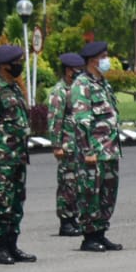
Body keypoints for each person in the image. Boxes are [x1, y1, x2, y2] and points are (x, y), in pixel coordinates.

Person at [0, 44, 36, 265]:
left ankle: (13, 244)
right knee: (1, 201)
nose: (19, 66)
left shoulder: (13, 88)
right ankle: (0, 248)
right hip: (1, 158)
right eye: (16, 62)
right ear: (4, 65)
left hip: (18, 156)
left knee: (16, 201)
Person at [70, 40, 123, 252]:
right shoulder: (81, 85)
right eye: (103, 57)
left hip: (109, 150)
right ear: (92, 61)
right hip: (93, 152)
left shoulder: (103, 84)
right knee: (90, 193)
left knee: (107, 194)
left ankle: (101, 233)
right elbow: (82, 121)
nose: (106, 60)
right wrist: (88, 151)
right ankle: (89, 236)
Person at [47, 52, 85, 237]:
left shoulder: (78, 90)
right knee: (67, 184)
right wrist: (56, 145)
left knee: (77, 183)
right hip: (67, 145)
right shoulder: (60, 91)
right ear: (69, 70)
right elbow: (55, 120)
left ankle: (74, 217)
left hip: (79, 146)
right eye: (77, 70)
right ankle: (66, 221)